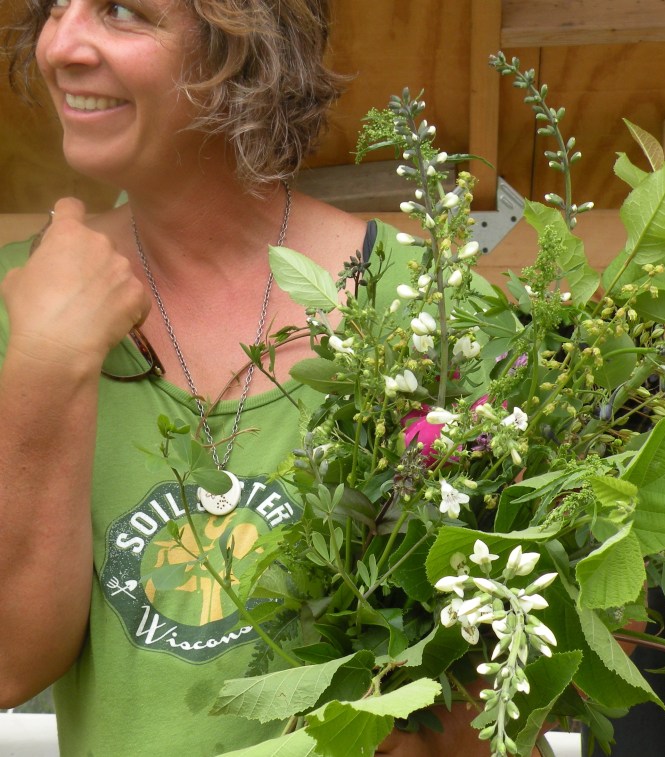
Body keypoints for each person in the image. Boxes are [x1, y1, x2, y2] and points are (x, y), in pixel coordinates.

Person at [0, 1, 461, 754]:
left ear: (244, 45)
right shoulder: (18, 303)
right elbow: (10, 665)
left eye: (120, 10)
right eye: (54, 6)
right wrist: (49, 363)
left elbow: (489, 680)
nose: (60, 45)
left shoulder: (425, 307)